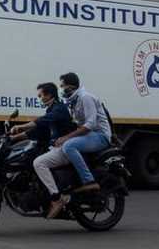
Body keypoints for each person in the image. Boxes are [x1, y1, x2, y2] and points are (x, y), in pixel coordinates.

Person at [45, 72, 113, 217]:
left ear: (71, 86)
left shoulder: (85, 97)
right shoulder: (72, 101)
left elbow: (89, 124)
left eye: (63, 86)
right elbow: (77, 125)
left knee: (69, 145)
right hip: (88, 135)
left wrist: (66, 138)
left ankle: (89, 181)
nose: (61, 89)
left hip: (100, 136)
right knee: (58, 146)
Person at [6, 82, 77, 218]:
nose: (40, 98)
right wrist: (14, 137)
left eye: (41, 95)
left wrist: (21, 126)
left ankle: (56, 199)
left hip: (64, 148)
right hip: (55, 147)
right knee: (30, 158)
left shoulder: (59, 109)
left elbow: (41, 121)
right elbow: (38, 131)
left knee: (39, 163)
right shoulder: (51, 109)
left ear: (49, 94)